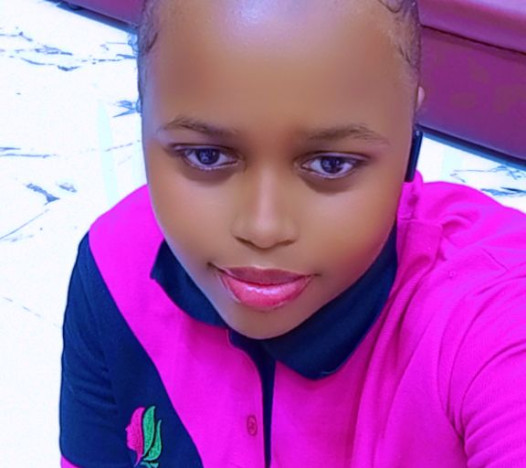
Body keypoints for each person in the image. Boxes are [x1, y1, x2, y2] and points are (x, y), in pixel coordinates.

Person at [59, 0, 526, 466]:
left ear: (409, 134)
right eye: (207, 156)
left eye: (331, 164)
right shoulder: (116, 268)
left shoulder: (489, 314)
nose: (263, 229)